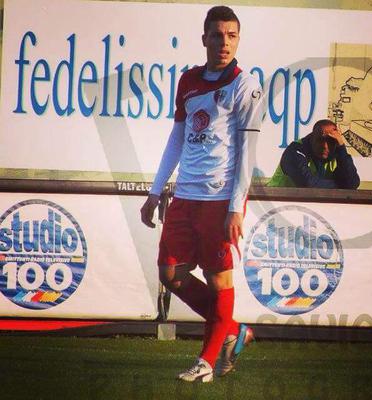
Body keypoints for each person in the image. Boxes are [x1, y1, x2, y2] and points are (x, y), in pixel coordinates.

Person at [140, 6, 264, 382]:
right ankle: (233, 330)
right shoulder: (189, 81)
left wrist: (236, 207)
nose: (224, 42)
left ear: (238, 40)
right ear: (204, 38)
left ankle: (206, 363)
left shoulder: (246, 86)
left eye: (231, 35)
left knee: (218, 280)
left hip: (220, 198)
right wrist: (155, 191)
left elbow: (248, 153)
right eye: (217, 35)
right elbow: (177, 137)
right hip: (185, 196)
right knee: (170, 274)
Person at [268, 119, 360, 189]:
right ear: (312, 138)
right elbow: (308, 184)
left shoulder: (337, 152)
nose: (325, 146)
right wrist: (342, 186)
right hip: (276, 200)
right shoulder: (295, 150)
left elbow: (353, 182)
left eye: (330, 141)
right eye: (320, 140)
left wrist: (341, 147)